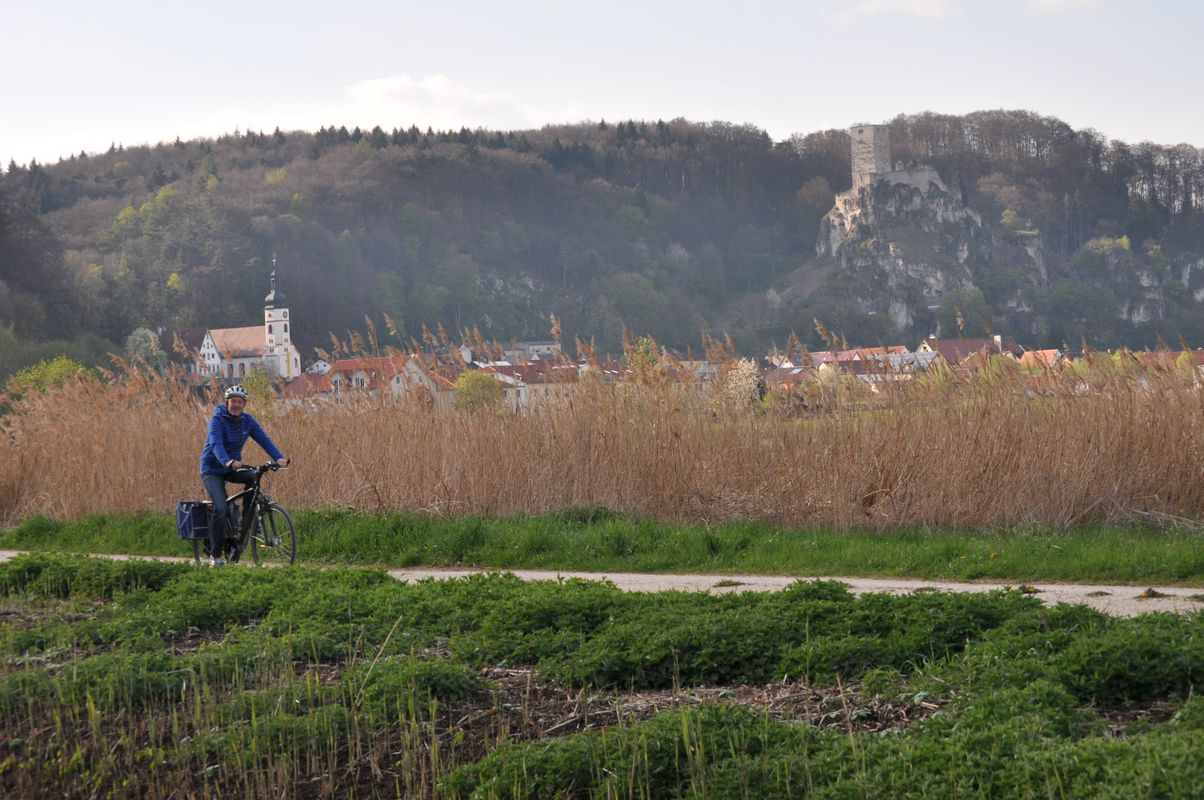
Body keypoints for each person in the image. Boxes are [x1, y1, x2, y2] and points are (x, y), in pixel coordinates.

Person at [199, 384, 289, 566]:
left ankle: (244, 524)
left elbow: (264, 439)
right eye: (233, 401)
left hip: (232, 468)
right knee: (221, 507)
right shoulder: (217, 420)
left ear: (244, 404)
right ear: (227, 402)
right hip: (212, 469)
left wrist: (279, 458)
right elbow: (216, 445)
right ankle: (215, 555)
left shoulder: (247, 421)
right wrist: (228, 461)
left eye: (240, 402)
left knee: (252, 477)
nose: (236, 405)